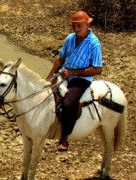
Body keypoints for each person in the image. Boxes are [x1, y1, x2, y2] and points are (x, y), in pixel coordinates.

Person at [46, 10, 103, 151]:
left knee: (68, 103)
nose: (76, 29)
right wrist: (49, 78)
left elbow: (97, 69)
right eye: (74, 26)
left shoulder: (94, 43)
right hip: (64, 74)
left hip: (81, 79)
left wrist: (72, 72)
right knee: (45, 95)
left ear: (87, 25)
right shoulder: (70, 38)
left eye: (79, 26)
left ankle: (64, 137)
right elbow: (61, 59)